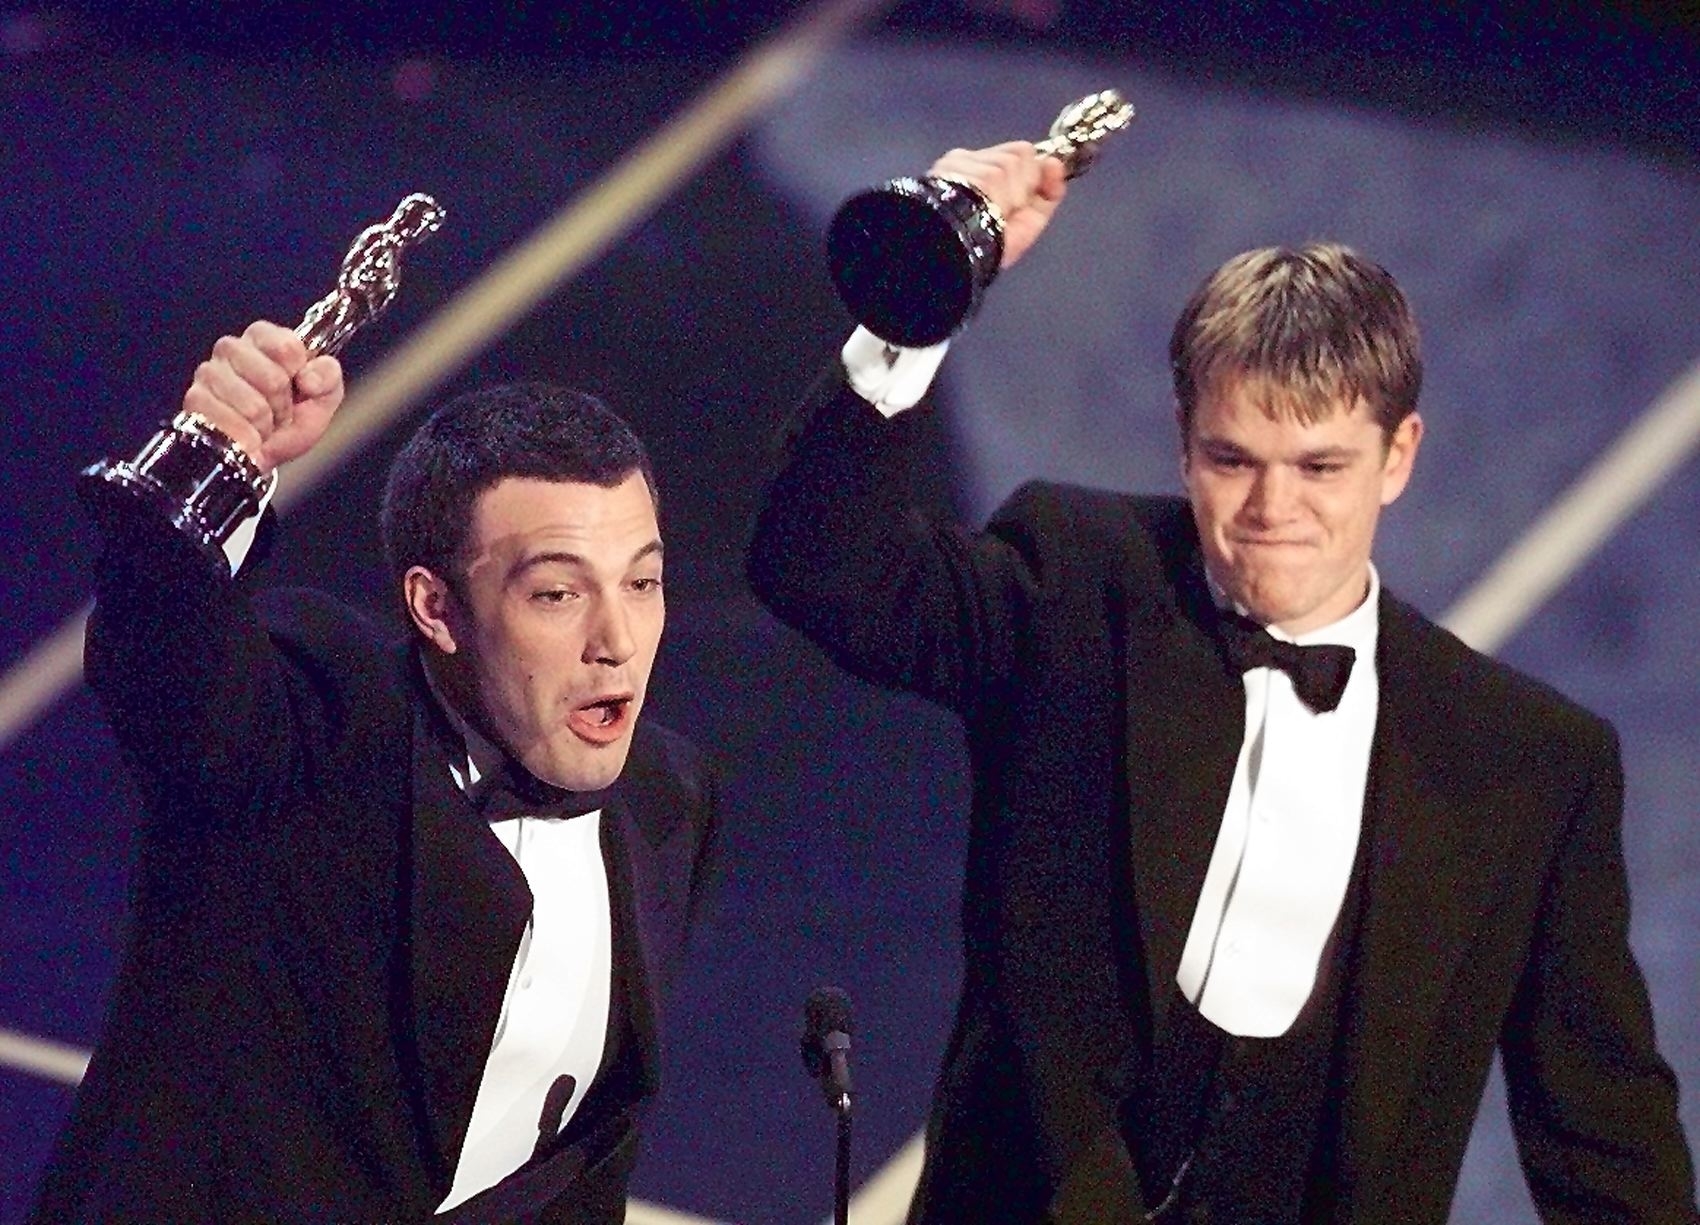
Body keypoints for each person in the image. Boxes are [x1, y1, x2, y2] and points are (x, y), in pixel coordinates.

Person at [747, 143, 1697, 1222]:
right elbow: (817, 567)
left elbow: (1600, 1124)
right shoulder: (1074, 584)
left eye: (1319, 466)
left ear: (1398, 456)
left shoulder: (1525, 762)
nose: (1270, 509)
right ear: (1182, 444)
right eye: (1231, 459)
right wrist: (915, 302)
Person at [31, 321, 718, 1223]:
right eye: (557, 593)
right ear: (435, 606)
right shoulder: (319, 721)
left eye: (642, 582)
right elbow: (170, 673)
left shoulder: (668, 796)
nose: (617, 645)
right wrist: (208, 478)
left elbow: (579, 1161)